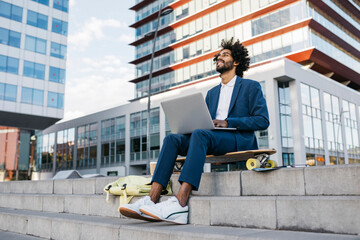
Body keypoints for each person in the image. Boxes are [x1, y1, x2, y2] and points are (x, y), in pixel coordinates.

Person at [119, 38, 269, 224]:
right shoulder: (212, 93)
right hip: (210, 138)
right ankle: (152, 199)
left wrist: (227, 121)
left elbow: (262, 121)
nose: (218, 58)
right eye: (218, 56)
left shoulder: (250, 87)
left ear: (236, 62)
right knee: (173, 139)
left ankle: (180, 204)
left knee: (200, 134)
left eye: (224, 55)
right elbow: (203, 122)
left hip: (237, 138)